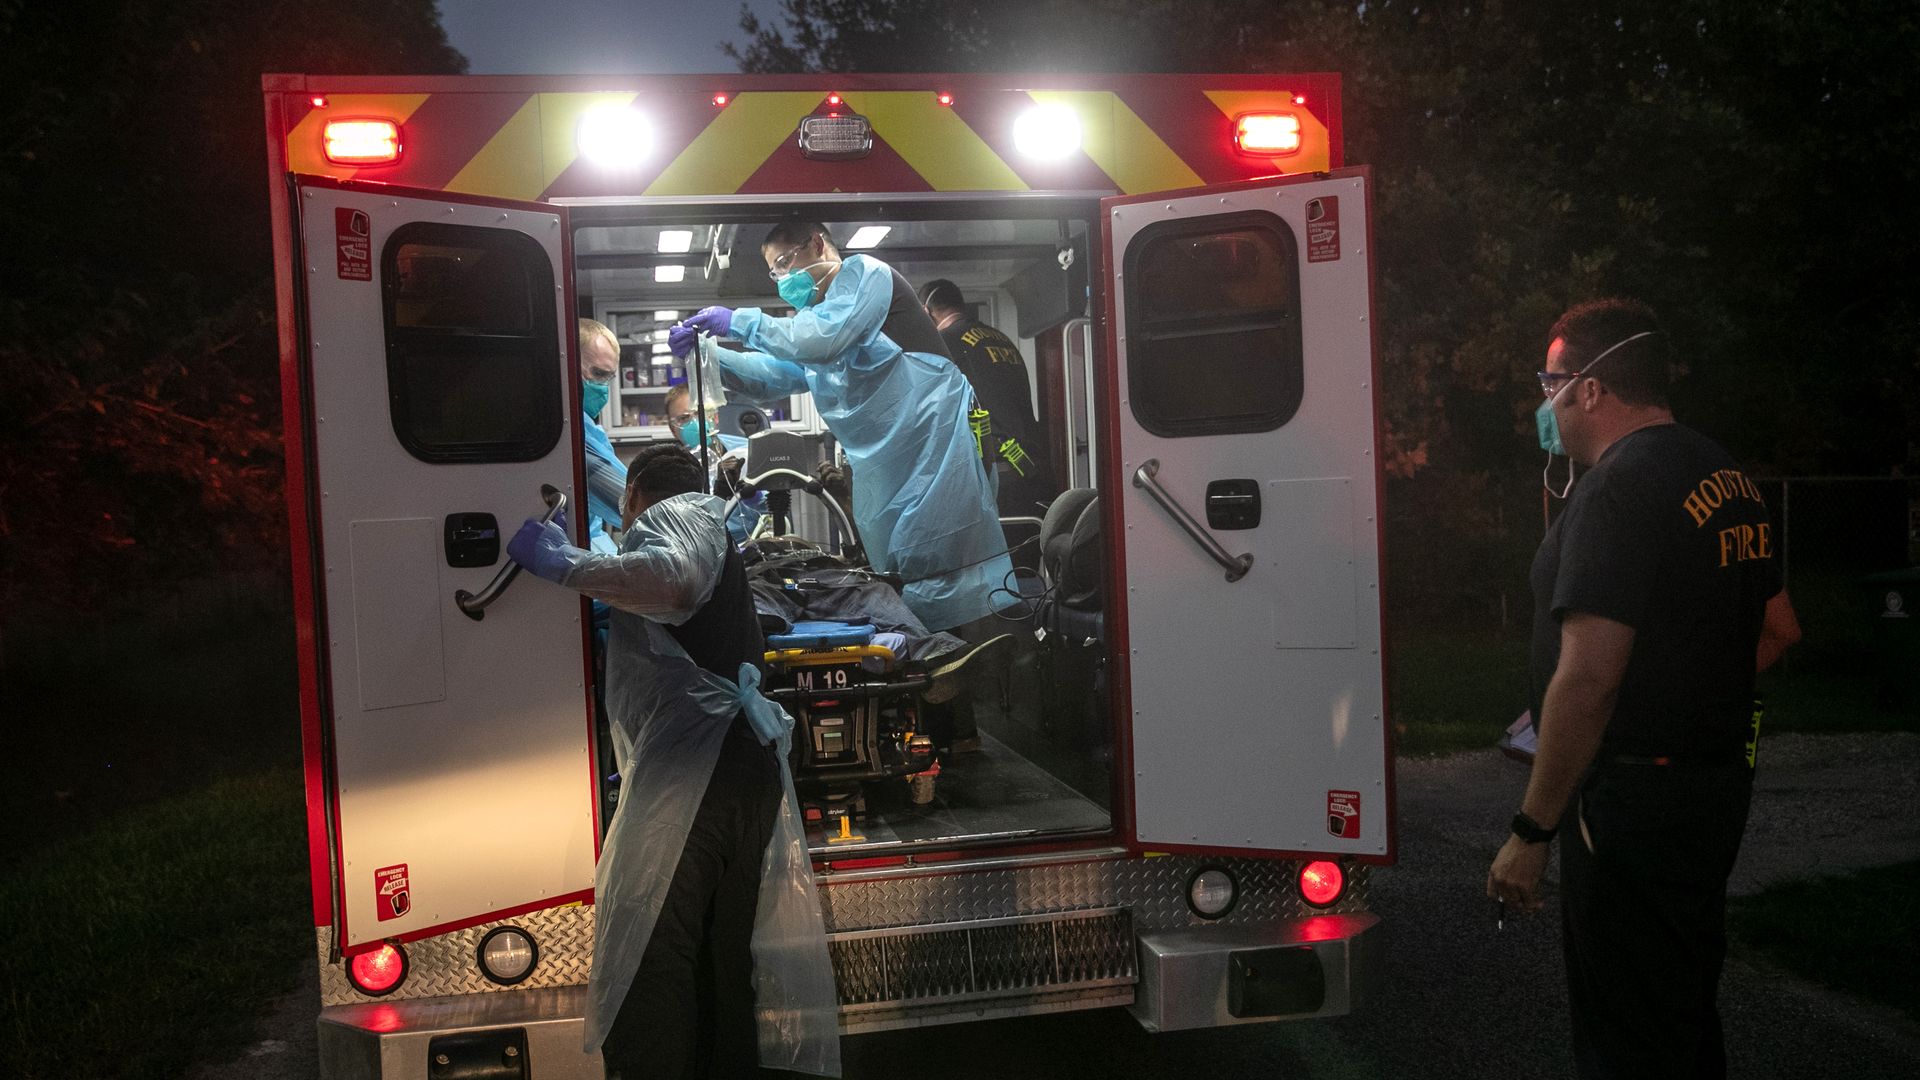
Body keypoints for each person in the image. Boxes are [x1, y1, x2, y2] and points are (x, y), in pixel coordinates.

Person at [1486, 298, 1802, 1080]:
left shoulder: (1617, 489)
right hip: (1707, 792)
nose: (1545, 403)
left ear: (1591, 387)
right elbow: (1778, 629)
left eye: (1551, 382)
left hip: (1629, 809)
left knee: (1626, 1033)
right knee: (1680, 1009)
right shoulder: (1722, 474)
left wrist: (1532, 832)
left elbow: (1590, 677)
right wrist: (1678, 692)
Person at [506, 444, 838, 1080]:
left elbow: (674, 581)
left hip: (698, 773)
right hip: (736, 765)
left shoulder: (678, 516)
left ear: (633, 496)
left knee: (654, 951)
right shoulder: (704, 521)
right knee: (720, 959)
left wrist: (564, 563)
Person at [668, 222, 1014, 635]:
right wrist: (711, 355)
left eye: (784, 263)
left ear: (817, 243)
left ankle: (988, 662)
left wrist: (740, 322)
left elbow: (822, 339)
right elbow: (774, 375)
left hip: (937, 451)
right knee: (902, 582)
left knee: (956, 572)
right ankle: (930, 660)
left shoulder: (865, 275)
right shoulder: (814, 322)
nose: (782, 279)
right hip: (888, 470)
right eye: (775, 273)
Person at [918, 278, 1056, 518]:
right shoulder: (1000, 338)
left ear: (926, 312)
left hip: (995, 476)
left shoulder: (945, 343)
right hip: (1029, 469)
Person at [578, 318, 628, 554]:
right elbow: (630, 503)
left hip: (591, 546)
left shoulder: (588, 427)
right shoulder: (574, 433)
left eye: (608, 378)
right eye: (597, 374)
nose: (602, 387)